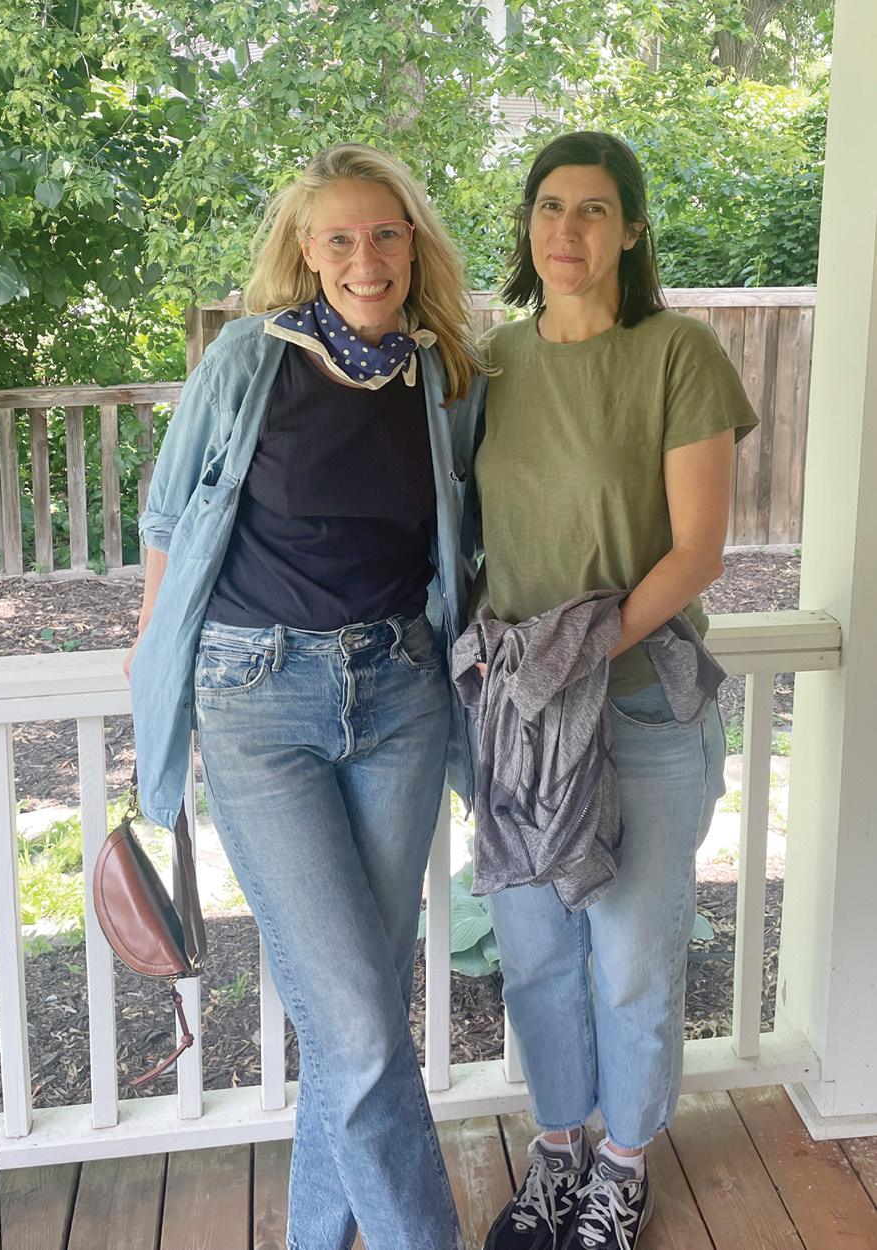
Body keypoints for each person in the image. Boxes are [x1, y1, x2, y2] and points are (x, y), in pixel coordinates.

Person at [124, 142, 487, 1250]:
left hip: (399, 694)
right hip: (257, 698)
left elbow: (457, 540)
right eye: (338, 237)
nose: (364, 258)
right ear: (303, 251)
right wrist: (155, 689)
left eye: (384, 233)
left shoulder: (441, 377)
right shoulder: (249, 359)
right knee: (366, 1022)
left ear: (412, 243)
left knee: (356, 1017)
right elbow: (165, 523)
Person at [472, 132, 758, 1250]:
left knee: (634, 954)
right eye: (550, 207)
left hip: (639, 705)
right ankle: (556, 1147)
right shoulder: (491, 364)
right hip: (520, 721)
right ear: (527, 226)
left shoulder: (678, 353)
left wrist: (574, 653)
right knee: (536, 953)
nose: (569, 231)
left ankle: (624, 1162)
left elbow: (697, 553)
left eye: (596, 210)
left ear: (633, 228)